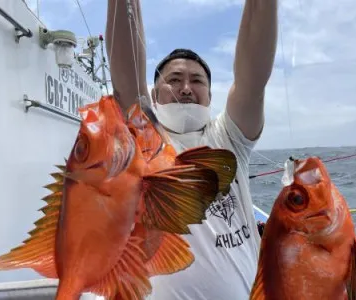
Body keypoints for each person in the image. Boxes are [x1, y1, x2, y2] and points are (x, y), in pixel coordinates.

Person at [105, 0, 277, 299]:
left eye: (197, 81)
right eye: (174, 79)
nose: (185, 88)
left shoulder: (230, 136)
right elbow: (126, 73)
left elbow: (253, 79)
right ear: (153, 94)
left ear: (210, 96)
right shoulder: (143, 136)